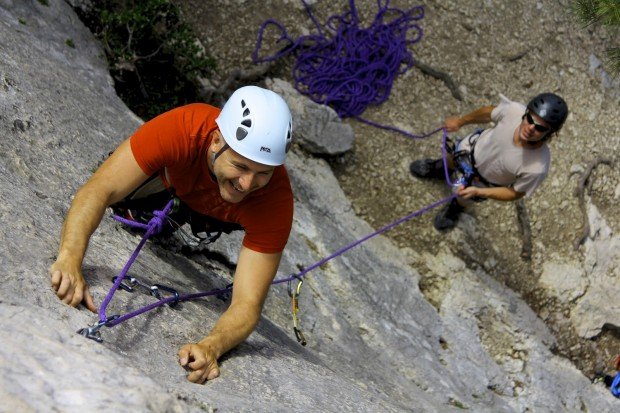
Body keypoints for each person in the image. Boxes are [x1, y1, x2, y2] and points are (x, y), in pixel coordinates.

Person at [49, 85, 294, 384]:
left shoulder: (275, 200)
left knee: (220, 202)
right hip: (170, 180)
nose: (247, 182)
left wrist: (211, 346)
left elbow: (247, 304)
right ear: (217, 140)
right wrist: (70, 258)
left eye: (263, 173)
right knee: (122, 199)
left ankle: (181, 215)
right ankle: (160, 209)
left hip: (215, 214)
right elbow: (98, 190)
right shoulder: (183, 128)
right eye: (241, 166)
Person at [410, 92, 568, 231]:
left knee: (463, 197)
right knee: (452, 159)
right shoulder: (513, 111)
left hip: (481, 182)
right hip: (469, 151)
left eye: (540, 128)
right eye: (529, 119)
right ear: (525, 113)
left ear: (550, 133)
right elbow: (488, 113)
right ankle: (439, 168)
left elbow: (515, 192)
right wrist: (460, 121)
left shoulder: (537, 167)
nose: (530, 128)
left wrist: (479, 192)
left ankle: (456, 207)